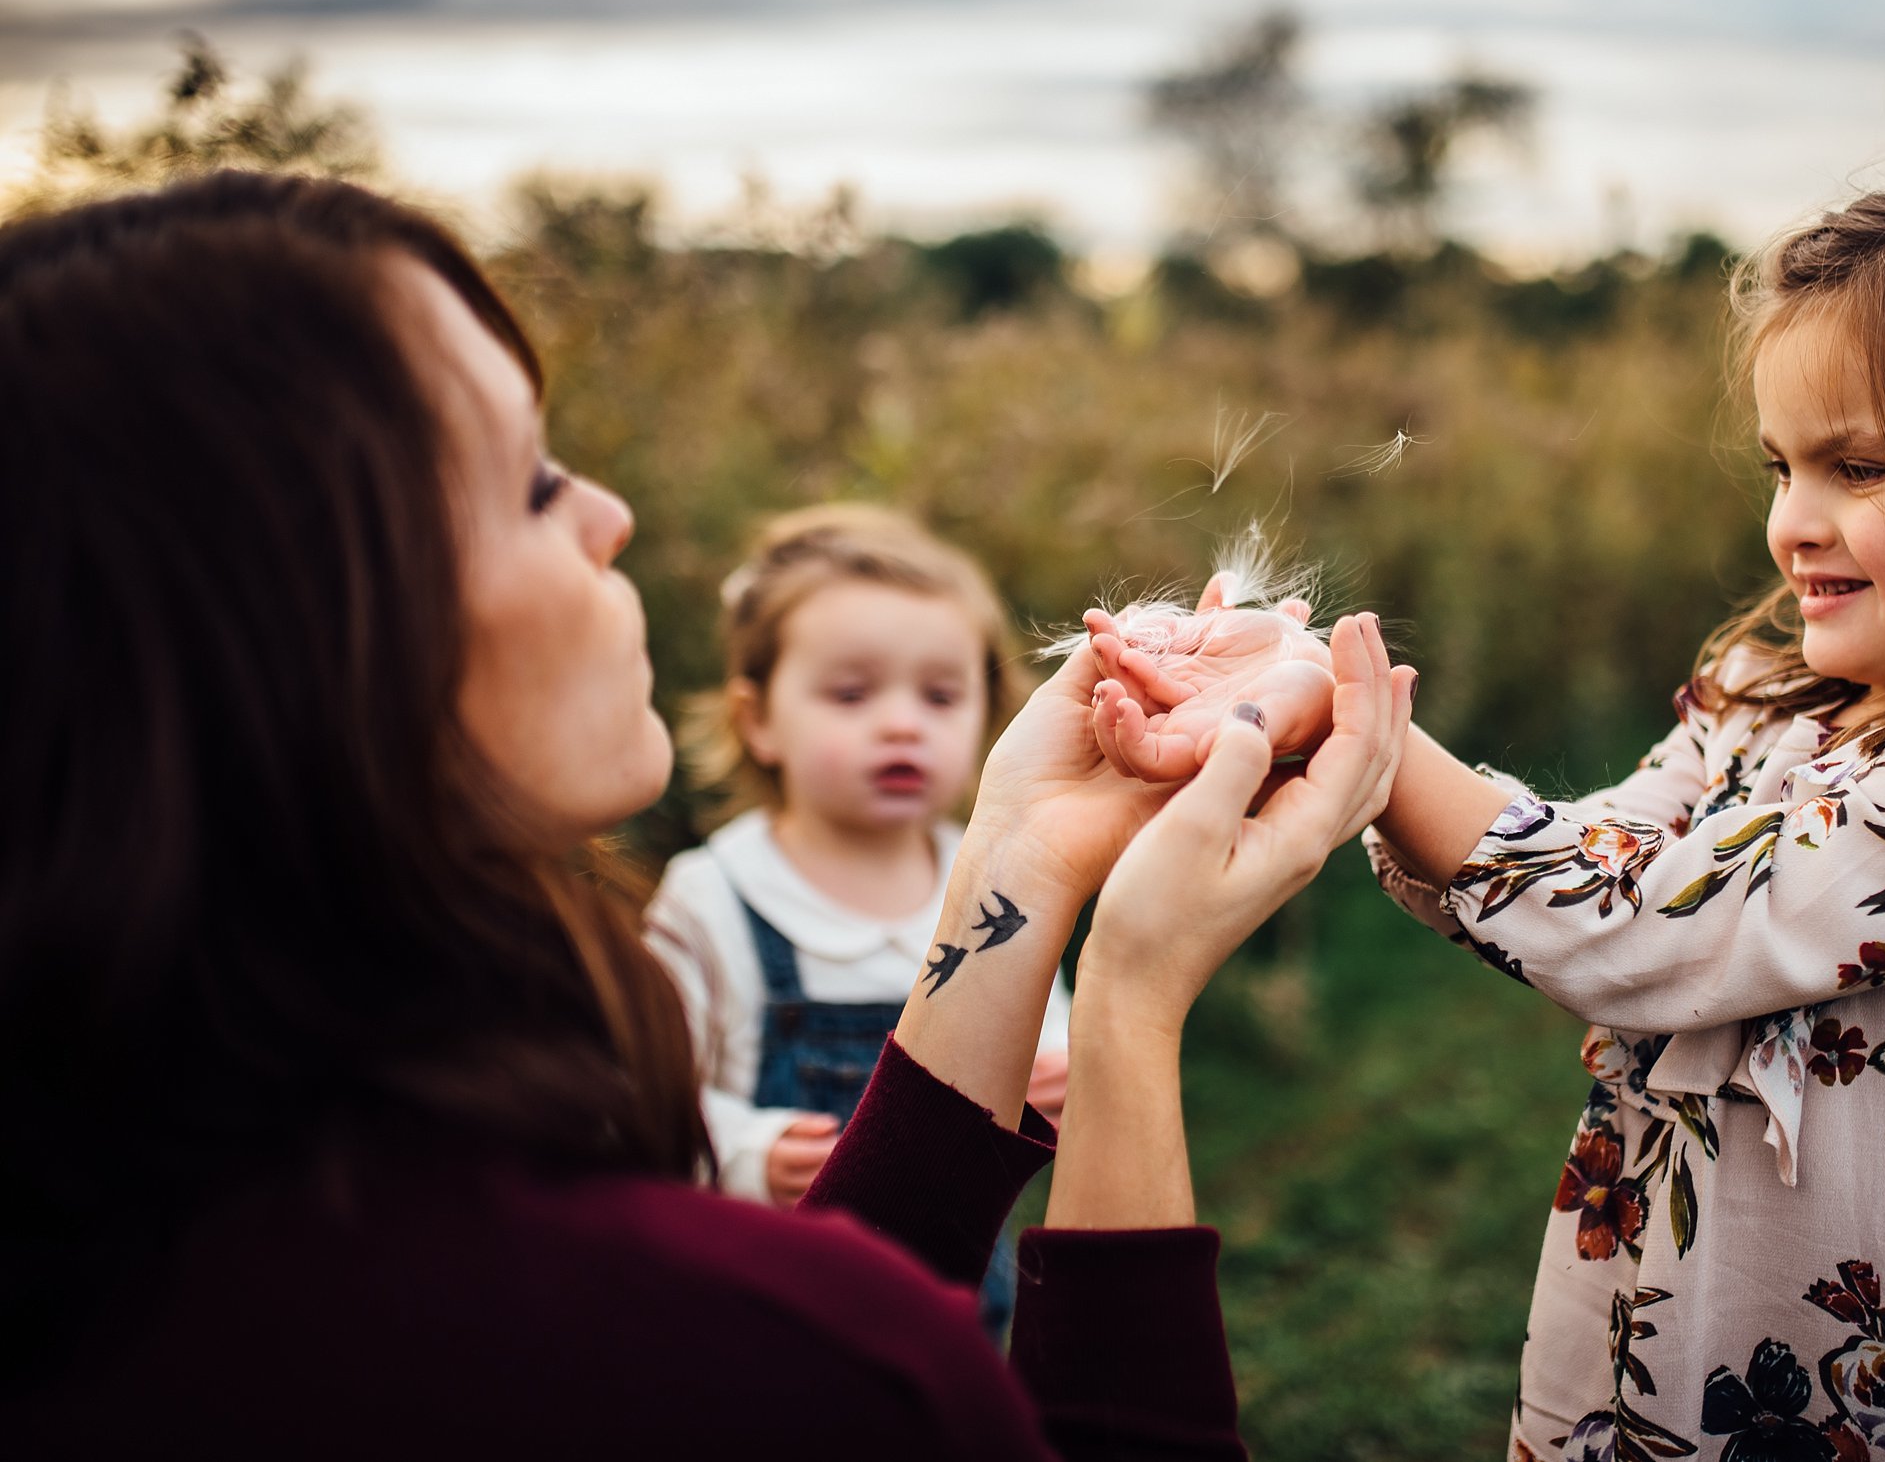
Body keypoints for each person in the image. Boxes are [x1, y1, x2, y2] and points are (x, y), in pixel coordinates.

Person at [0, 170, 1417, 1457]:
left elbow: (829, 1334)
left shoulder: (156, 1230)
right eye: (531, 481)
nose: (606, 512)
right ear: (298, 625)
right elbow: (840, 1363)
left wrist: (1023, 857)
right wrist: (1131, 996)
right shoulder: (684, 1346)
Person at [1086, 150, 1885, 1460]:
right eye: (1782, 466)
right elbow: (1599, 850)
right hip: (1676, 1363)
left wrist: (1357, 725)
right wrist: (1311, 709)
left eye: (1859, 468)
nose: (1793, 524)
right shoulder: (1769, 700)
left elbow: (1653, 921)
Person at [646, 503, 1071, 1337]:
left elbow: (1048, 1030)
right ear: (758, 719)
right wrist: (744, 1152)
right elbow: (645, 1100)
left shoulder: (998, 880)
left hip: (948, 1316)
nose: (903, 721)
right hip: (758, 1316)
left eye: (942, 695)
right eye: (851, 693)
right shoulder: (714, 897)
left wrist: (1049, 1078)